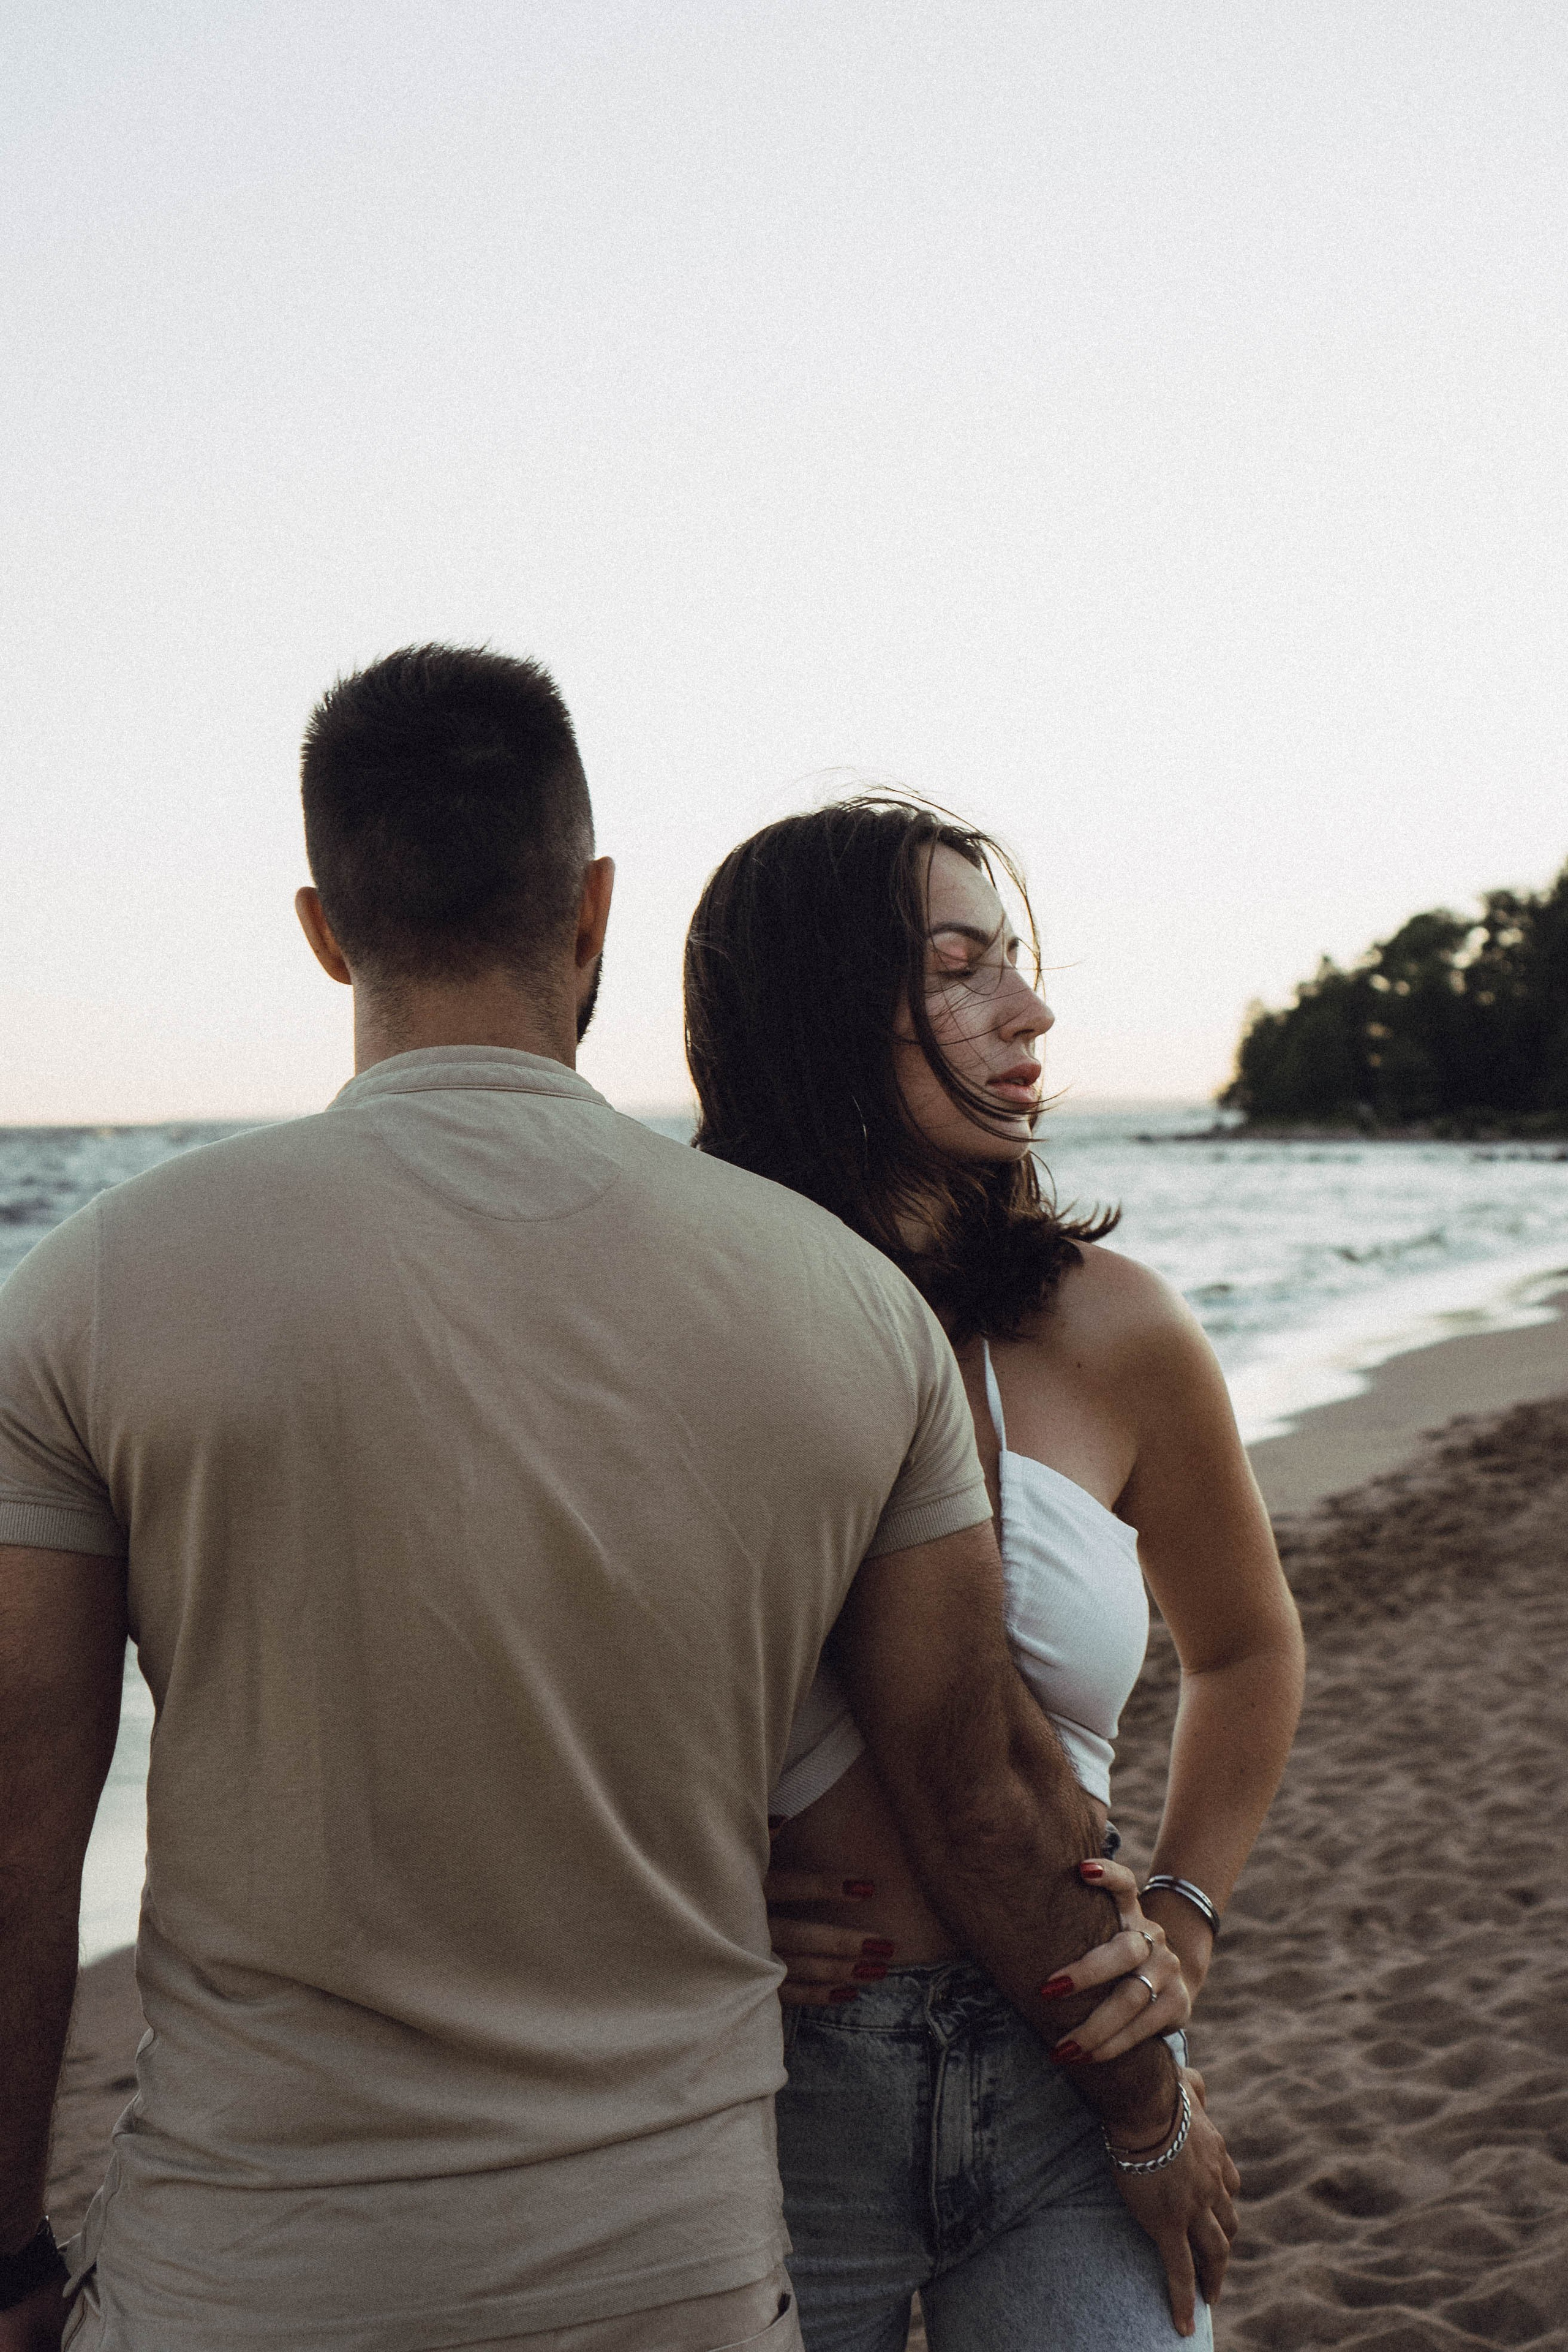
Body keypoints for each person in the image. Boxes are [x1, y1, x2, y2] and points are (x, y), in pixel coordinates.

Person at [1, 652, 1220, 2352]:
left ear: (322, 927)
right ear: (592, 910)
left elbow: (17, 1833)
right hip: (679, 2270)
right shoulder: (843, 1307)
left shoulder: (84, 1292)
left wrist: (8, 2262)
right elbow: (981, 1785)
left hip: (241, 2272)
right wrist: (1150, 2099)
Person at [683, 796, 1305, 2350]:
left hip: (1070, 2071)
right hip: (758, 2089)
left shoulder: (1114, 1328)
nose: (1026, 1012)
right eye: (955, 972)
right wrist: (688, 1914)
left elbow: (1245, 1652)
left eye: (1010, 961)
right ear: (816, 1012)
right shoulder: (682, 1337)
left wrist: (1186, 1915)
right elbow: (530, 1697)